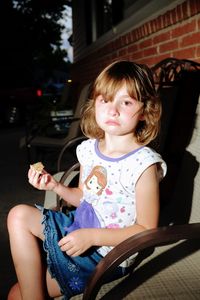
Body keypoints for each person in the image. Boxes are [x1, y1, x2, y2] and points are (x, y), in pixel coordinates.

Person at [7, 60, 167, 300]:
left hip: (109, 252)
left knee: (16, 294)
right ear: (95, 105)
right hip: (79, 225)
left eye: (126, 102)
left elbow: (146, 229)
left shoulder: (143, 164)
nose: (113, 110)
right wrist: (56, 186)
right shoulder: (89, 150)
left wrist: (92, 236)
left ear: (145, 110)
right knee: (18, 214)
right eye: (106, 100)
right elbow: (84, 197)